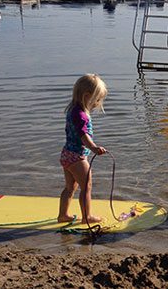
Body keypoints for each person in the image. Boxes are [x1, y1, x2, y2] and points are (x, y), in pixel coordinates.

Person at [58, 74, 108, 224]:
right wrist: (94, 148)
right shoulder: (81, 115)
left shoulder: (73, 109)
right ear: (87, 96)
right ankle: (87, 217)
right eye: (97, 99)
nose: (98, 103)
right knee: (86, 187)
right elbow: (83, 136)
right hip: (77, 158)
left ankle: (63, 215)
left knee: (69, 188)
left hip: (67, 154)